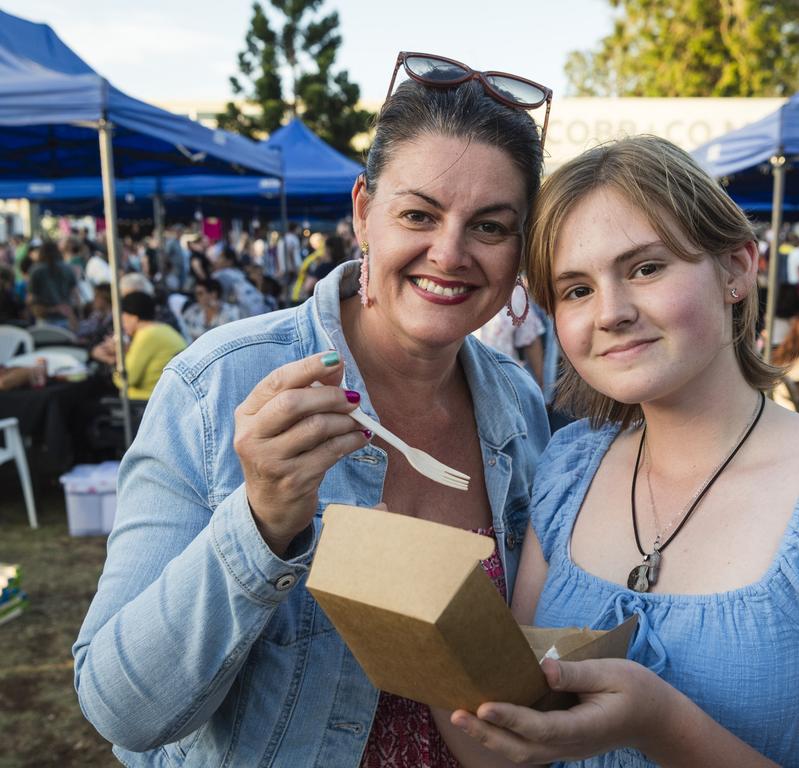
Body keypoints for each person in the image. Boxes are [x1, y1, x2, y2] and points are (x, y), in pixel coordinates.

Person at [73, 53, 551, 767]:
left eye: (489, 226)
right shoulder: (219, 384)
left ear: (519, 249)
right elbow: (121, 710)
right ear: (363, 212)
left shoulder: (519, 407)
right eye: (418, 214)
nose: (448, 253)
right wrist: (261, 523)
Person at [450, 136, 799, 767]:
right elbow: (508, 744)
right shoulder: (569, 469)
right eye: (576, 289)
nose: (610, 313)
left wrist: (662, 724)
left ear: (737, 269)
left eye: (645, 267)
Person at [101, 291, 186, 400]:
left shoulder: (146, 335)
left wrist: (118, 355)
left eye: (124, 319)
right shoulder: (163, 329)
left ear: (133, 317)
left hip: (146, 401)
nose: (123, 324)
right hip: (165, 396)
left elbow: (126, 379)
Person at [26, 239, 79, 328]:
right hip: (65, 316)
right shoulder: (68, 268)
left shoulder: (35, 270)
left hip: (44, 317)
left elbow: (31, 297)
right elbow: (75, 294)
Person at [180, 278, 241, 343]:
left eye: (200, 293)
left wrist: (216, 312)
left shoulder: (231, 311)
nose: (197, 297)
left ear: (213, 294)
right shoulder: (193, 310)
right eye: (196, 294)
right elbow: (182, 329)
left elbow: (232, 334)